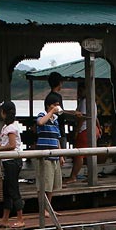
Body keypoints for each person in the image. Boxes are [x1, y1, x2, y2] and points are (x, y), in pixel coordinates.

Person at [0, 101, 25, 229]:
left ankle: (20, 218)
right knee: (7, 190)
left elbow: (12, 145)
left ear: (4, 112)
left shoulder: (11, 128)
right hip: (8, 161)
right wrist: (0, 145)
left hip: (12, 161)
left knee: (13, 189)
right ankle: (5, 219)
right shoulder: (8, 126)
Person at [35, 93, 64, 222]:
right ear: (48, 105)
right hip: (44, 156)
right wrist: (51, 111)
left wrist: (61, 154)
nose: (57, 107)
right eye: (55, 105)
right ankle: (43, 209)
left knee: (52, 185)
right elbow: (40, 123)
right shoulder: (42, 115)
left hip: (54, 155)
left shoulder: (56, 120)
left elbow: (57, 138)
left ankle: (49, 208)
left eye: (58, 105)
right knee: (44, 184)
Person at [64, 80, 100, 185]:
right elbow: (95, 117)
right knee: (89, 154)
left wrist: (76, 131)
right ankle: (91, 175)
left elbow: (82, 118)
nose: (79, 92)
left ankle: (73, 176)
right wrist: (99, 127)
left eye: (81, 90)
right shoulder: (92, 101)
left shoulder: (85, 102)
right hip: (93, 129)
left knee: (79, 155)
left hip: (85, 130)